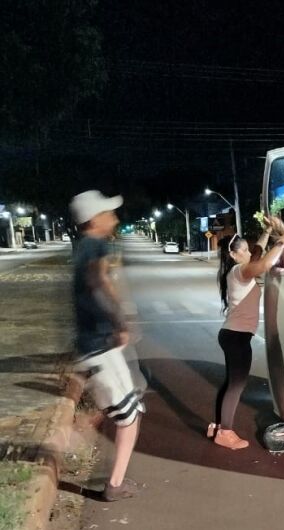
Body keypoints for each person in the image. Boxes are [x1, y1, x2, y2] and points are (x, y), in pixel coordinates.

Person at [69, 190, 145, 501]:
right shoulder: (95, 245)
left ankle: (77, 438)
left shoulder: (84, 247)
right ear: (94, 219)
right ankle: (113, 484)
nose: (114, 217)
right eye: (108, 213)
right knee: (130, 418)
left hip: (96, 345)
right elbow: (100, 283)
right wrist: (122, 320)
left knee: (129, 406)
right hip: (99, 346)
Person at [207, 216, 284, 449]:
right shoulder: (240, 271)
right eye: (244, 251)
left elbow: (257, 252)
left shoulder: (238, 269)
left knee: (231, 382)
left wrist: (267, 232)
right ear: (234, 255)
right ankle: (225, 432)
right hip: (237, 337)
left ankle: (218, 426)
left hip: (233, 335)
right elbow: (262, 264)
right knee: (236, 385)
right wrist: (281, 242)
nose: (249, 254)